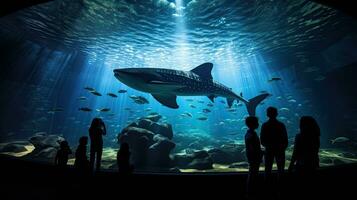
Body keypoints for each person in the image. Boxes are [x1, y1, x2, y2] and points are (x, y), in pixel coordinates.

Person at [260, 107, 288, 180]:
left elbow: (262, 139)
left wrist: (267, 146)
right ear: (277, 114)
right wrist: (283, 147)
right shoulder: (281, 125)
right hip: (280, 149)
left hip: (269, 149)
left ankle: (267, 186)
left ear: (267, 114)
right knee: (281, 169)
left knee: (268, 169)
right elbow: (285, 138)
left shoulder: (265, 125)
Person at [245, 116, 263, 198]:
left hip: (253, 156)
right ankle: (250, 192)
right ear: (254, 124)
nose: (258, 124)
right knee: (253, 174)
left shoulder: (250, 133)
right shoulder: (251, 134)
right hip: (254, 157)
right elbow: (252, 147)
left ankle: (251, 191)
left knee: (253, 173)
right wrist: (260, 152)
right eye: (257, 122)